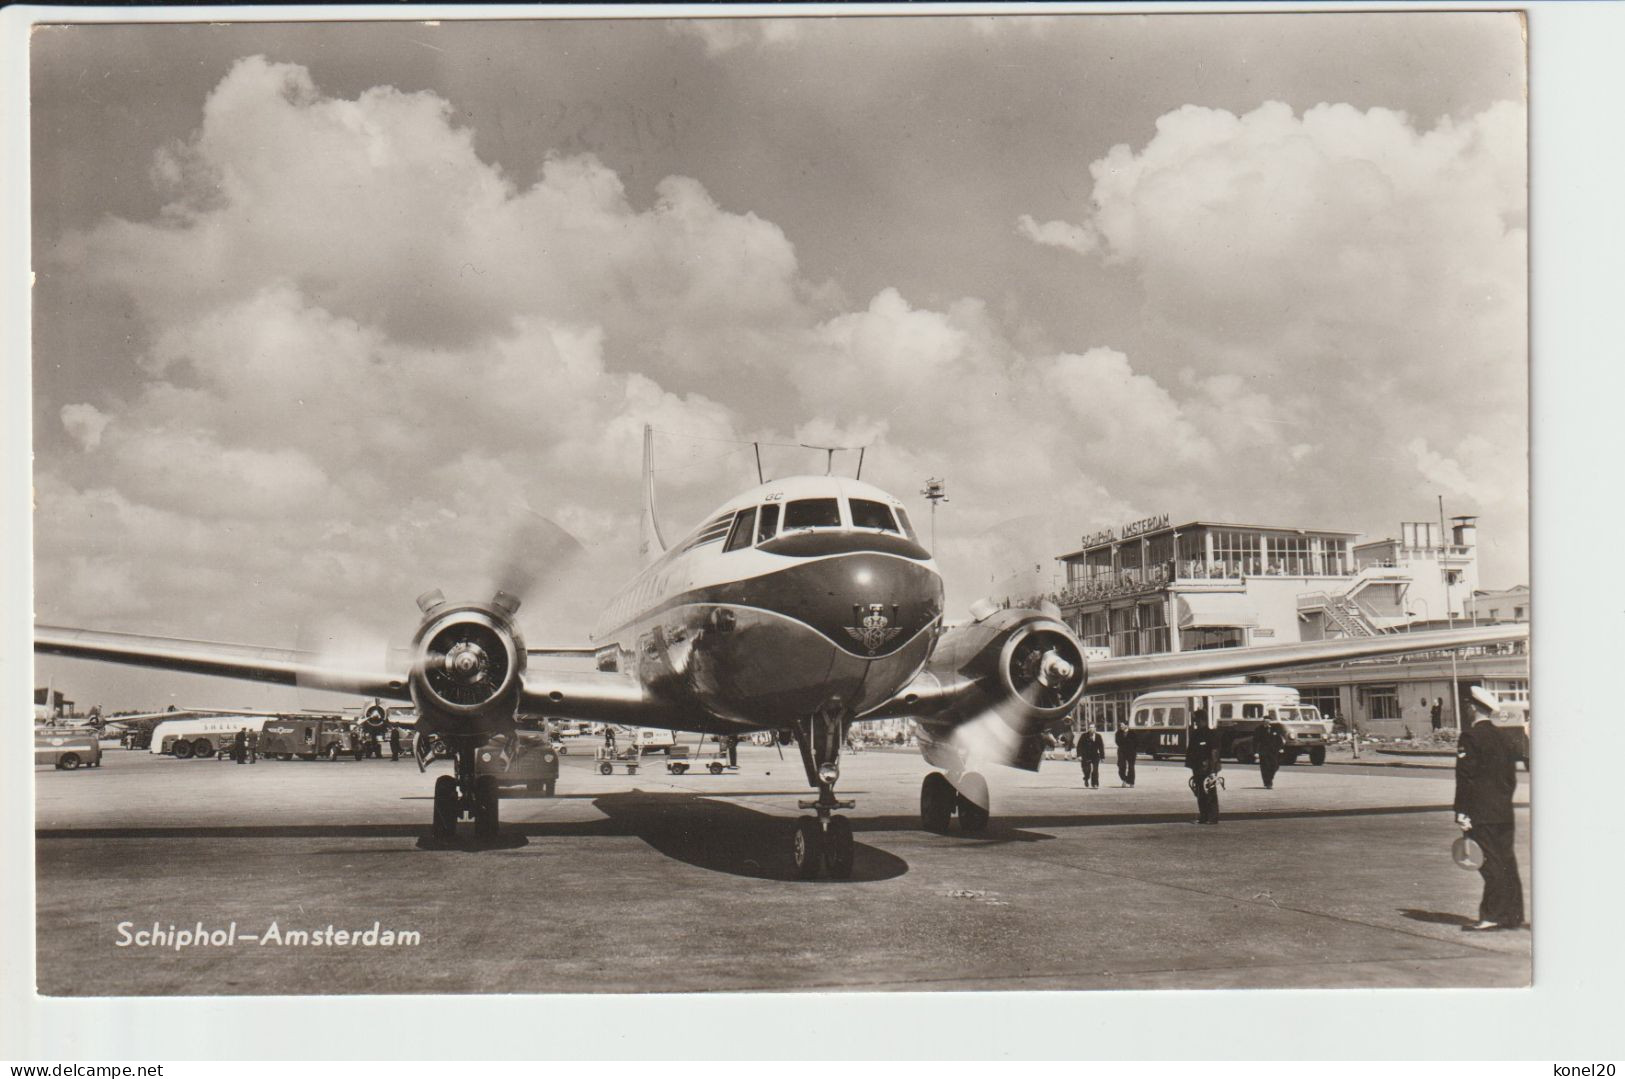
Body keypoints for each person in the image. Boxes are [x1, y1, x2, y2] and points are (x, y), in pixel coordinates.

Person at [1455, 685, 1525, 930]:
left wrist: (1462, 811)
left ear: (1472, 707)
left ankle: (1492, 916)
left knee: (1488, 863)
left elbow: (1466, 777)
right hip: (1503, 811)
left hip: (1481, 812)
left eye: (1467, 705)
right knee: (1506, 861)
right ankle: (1512, 916)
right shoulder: (1504, 737)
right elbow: (1510, 777)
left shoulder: (1470, 737)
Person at [1186, 707, 1222, 824]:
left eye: (1197, 720)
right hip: (1197, 768)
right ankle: (1203, 816)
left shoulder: (1211, 734)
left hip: (1208, 768)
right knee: (1200, 792)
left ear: (1203, 720)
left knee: (1210, 791)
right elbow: (1191, 751)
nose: (1195, 723)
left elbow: (1214, 752)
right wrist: (1191, 766)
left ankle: (1213, 817)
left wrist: (1212, 769)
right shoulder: (1195, 734)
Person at [1255, 718, 1284, 789]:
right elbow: (1255, 741)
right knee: (1265, 767)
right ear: (1263, 722)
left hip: (1273, 751)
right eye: (1265, 722)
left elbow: (1279, 739)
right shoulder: (1259, 729)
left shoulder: (1274, 729)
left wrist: (1281, 748)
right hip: (1263, 751)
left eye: (1268, 721)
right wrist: (1256, 752)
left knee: (1275, 765)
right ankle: (1268, 782)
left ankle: (1270, 778)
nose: (1267, 723)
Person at [1077, 723, 1104, 788]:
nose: (1091, 729)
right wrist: (1079, 755)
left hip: (1095, 755)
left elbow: (1101, 747)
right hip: (1086, 755)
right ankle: (1086, 778)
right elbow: (1079, 746)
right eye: (1090, 727)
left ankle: (1095, 784)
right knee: (1087, 770)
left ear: (1095, 728)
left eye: (1092, 727)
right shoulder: (1084, 736)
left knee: (1095, 770)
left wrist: (1102, 757)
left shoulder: (1098, 736)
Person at [1115, 720, 1137, 787]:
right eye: (1120, 725)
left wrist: (1134, 750)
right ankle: (1124, 779)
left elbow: (1136, 743)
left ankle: (1131, 782)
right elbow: (1117, 742)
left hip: (1131, 752)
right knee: (1121, 766)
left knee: (1131, 767)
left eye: (1122, 725)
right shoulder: (1118, 733)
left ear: (1126, 725)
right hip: (1122, 752)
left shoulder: (1133, 733)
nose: (1120, 726)